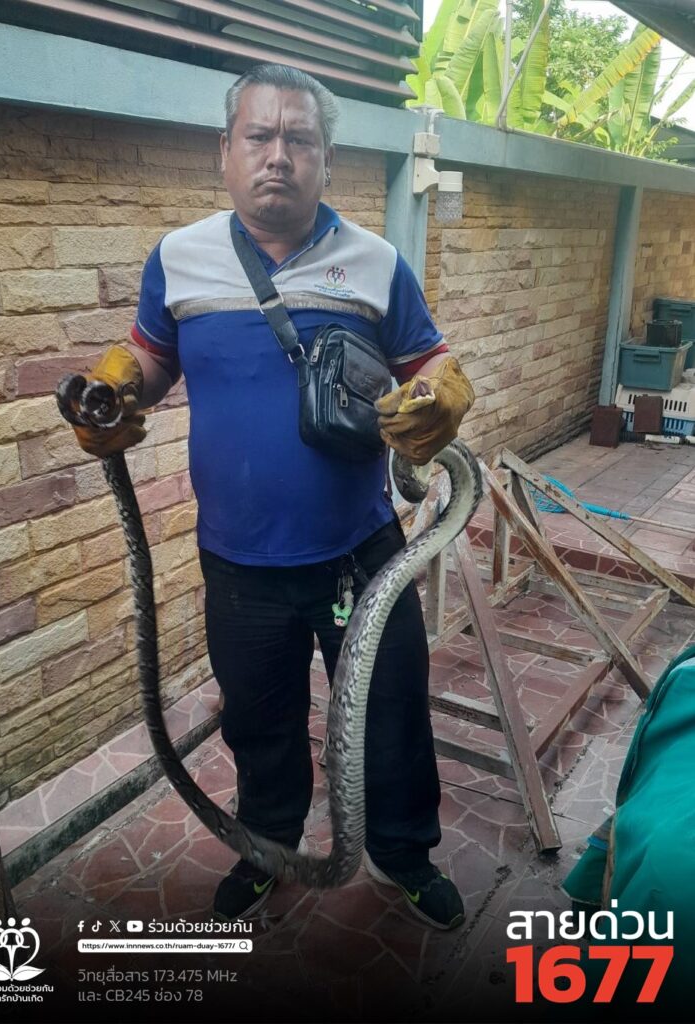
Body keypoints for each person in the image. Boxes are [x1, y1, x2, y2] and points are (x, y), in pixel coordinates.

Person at [66, 63, 474, 929]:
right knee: (259, 721)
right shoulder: (179, 258)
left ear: (327, 159)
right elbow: (152, 358)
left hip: (362, 551)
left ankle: (403, 852)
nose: (278, 155)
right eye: (259, 136)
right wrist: (115, 386)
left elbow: (429, 360)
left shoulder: (375, 263)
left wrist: (443, 394)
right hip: (239, 560)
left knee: (392, 711)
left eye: (299, 139)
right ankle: (268, 846)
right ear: (226, 150)